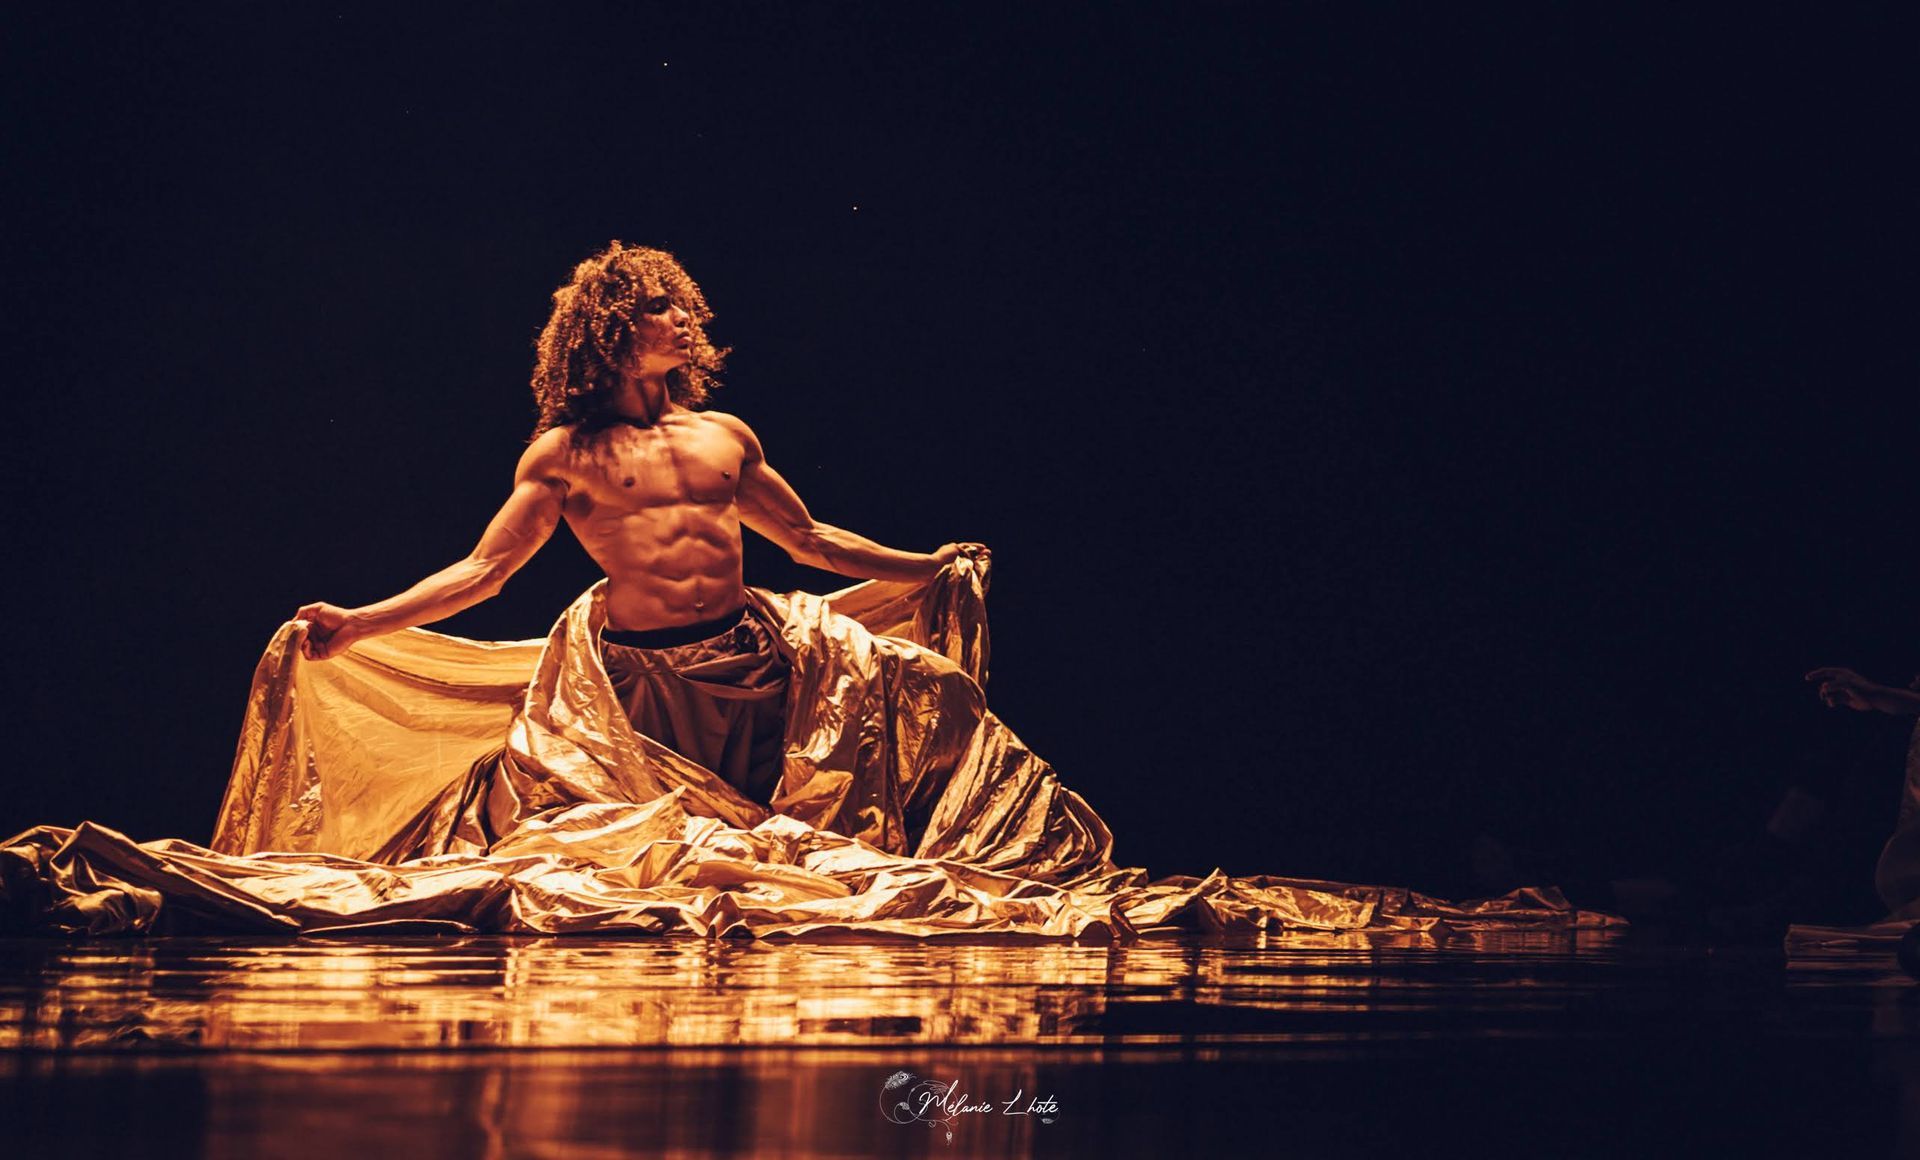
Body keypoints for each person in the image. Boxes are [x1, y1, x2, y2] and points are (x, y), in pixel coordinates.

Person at [293, 241, 977, 804]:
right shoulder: (566, 454)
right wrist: (360, 622)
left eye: (682, 305)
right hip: (645, 689)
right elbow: (486, 570)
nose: (683, 317)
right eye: (659, 307)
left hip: (752, 668)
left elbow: (811, 540)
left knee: (915, 702)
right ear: (612, 331)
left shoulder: (726, 436)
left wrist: (929, 567)